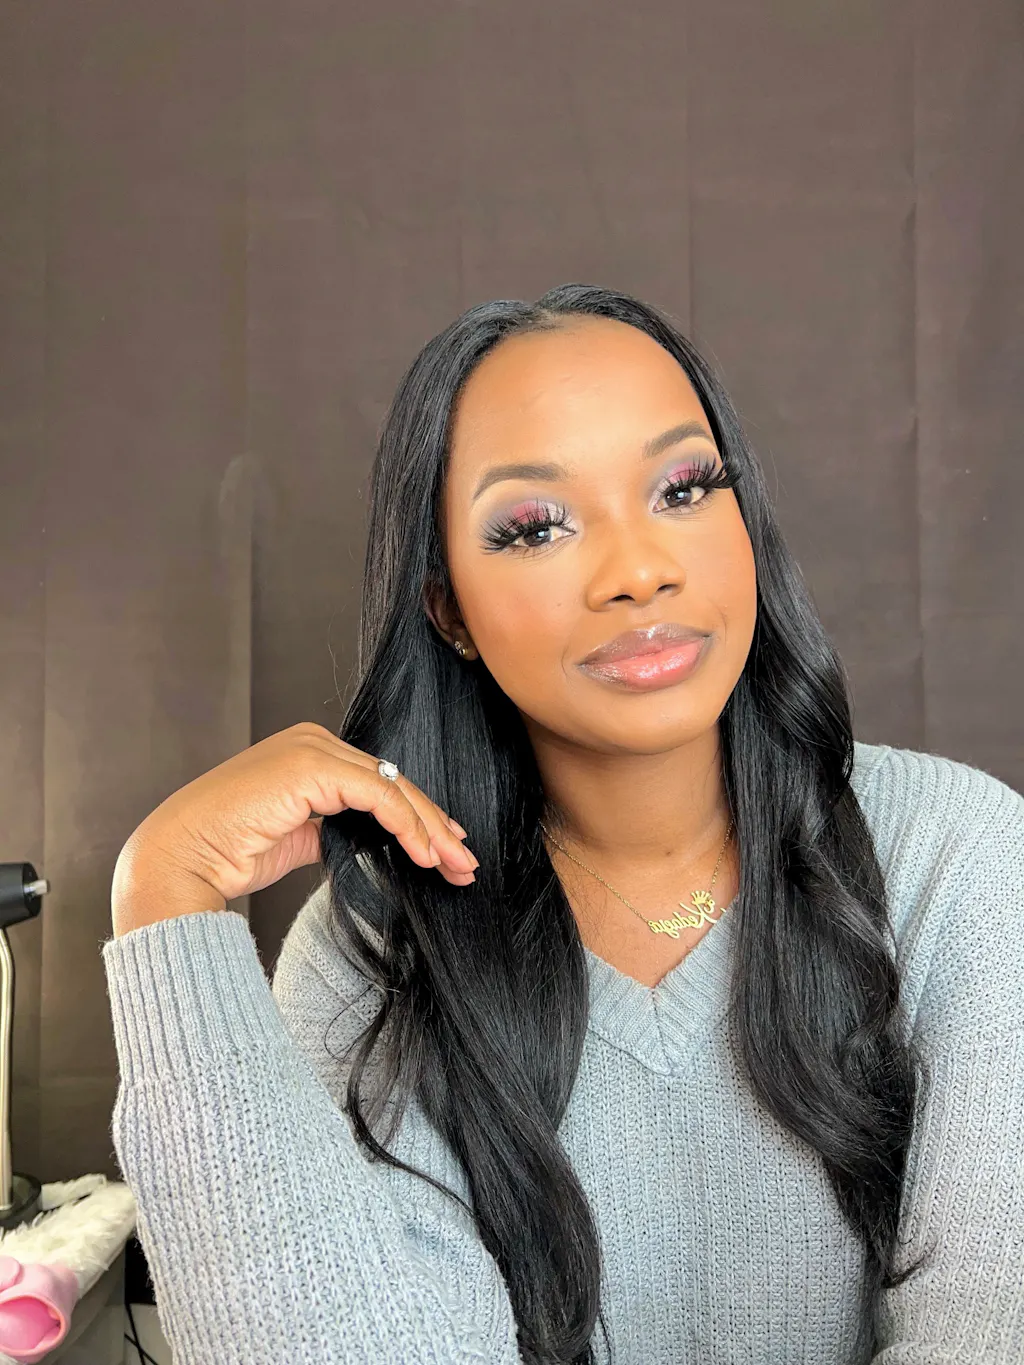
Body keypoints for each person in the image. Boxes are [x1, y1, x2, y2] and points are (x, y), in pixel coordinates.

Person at [102, 285, 1024, 1365]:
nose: (639, 571)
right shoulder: (380, 948)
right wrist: (163, 897)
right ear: (449, 610)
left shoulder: (957, 858)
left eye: (683, 488)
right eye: (537, 526)